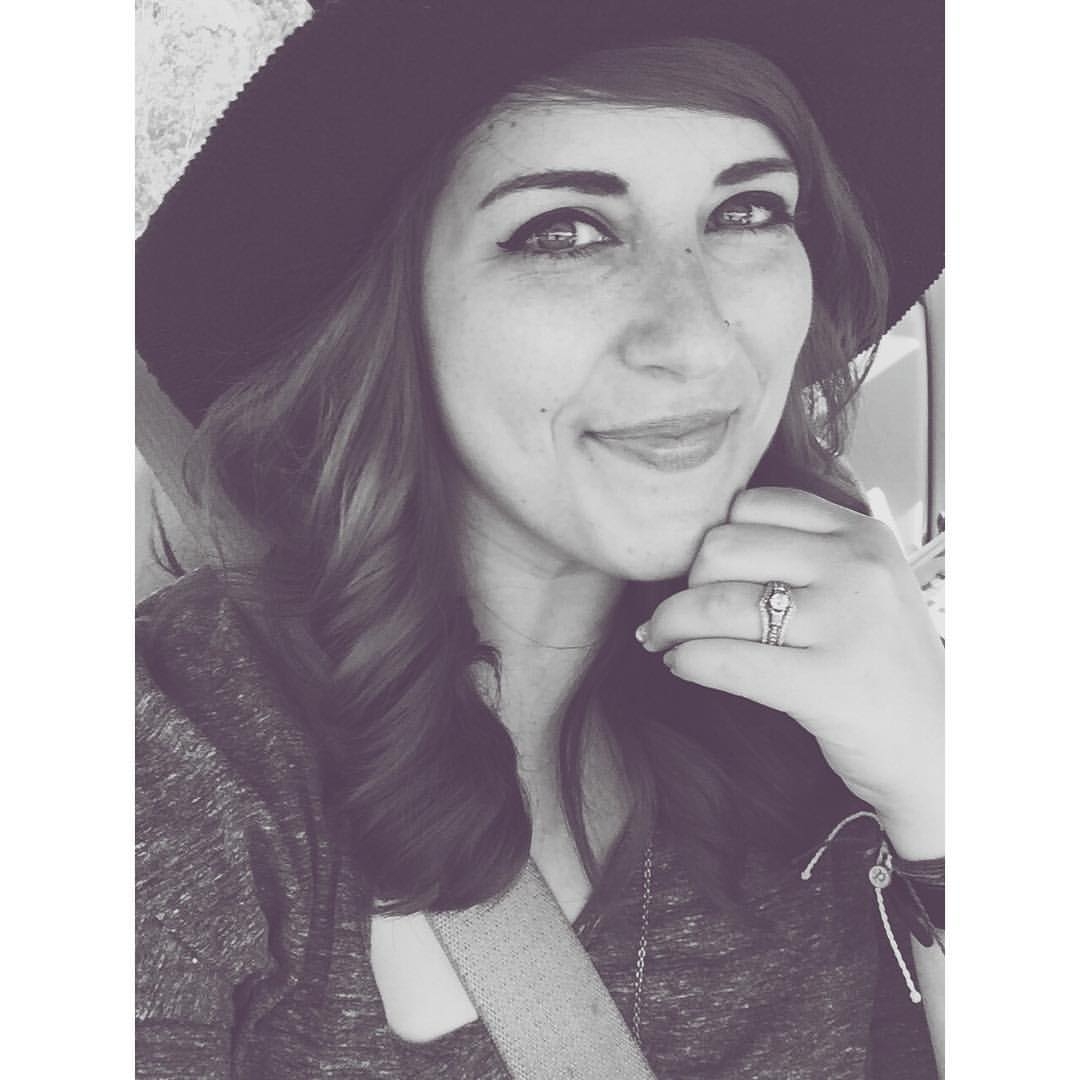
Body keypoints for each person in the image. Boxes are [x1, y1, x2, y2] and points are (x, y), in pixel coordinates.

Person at [135, 1, 945, 1077]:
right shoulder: (177, 763)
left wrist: (943, 794)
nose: (697, 341)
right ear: (394, 304)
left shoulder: (831, 700)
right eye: (564, 232)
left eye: (749, 211)